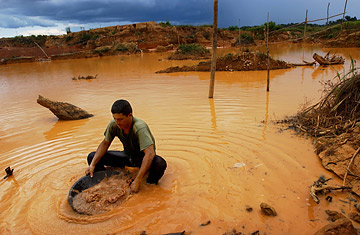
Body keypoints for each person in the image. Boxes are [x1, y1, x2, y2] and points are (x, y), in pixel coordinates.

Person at [85, 99, 167, 193]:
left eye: (120, 119)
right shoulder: (114, 125)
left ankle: (148, 185)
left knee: (160, 164)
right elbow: (105, 144)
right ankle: (108, 180)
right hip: (127, 157)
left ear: (130, 115)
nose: (117, 122)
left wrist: (138, 181)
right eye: (115, 118)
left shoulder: (140, 127)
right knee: (92, 157)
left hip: (141, 159)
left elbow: (149, 154)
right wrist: (92, 165)